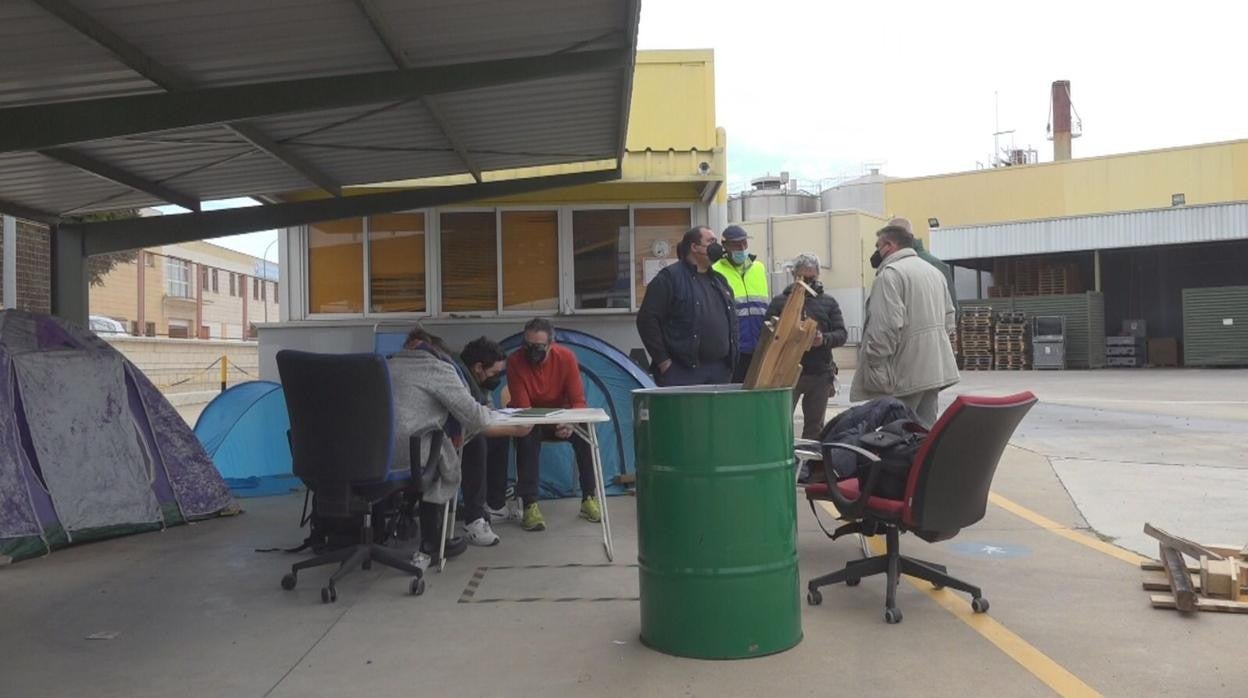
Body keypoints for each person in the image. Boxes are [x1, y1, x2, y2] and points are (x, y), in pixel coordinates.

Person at [387, 327, 530, 562]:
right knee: (469, 444)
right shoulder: (439, 368)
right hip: (414, 454)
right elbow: (478, 419)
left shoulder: (385, 366)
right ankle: (451, 531)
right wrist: (515, 428)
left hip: (376, 457)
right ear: (439, 352)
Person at [849, 218, 960, 427]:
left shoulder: (890, 275)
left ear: (890, 246)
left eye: (878, 247)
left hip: (902, 375)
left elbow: (884, 329)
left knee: (895, 438)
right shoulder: (934, 273)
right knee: (924, 435)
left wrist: (876, 367)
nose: (876, 253)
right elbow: (949, 320)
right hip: (933, 370)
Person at [506, 317, 600, 532]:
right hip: (532, 417)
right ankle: (530, 504)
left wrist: (569, 421)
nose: (531, 351)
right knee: (526, 434)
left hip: (561, 416)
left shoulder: (566, 358)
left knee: (585, 430)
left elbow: (578, 400)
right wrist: (546, 420)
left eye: (538, 347)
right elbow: (522, 405)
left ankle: (589, 497)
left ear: (551, 344)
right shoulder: (515, 361)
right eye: (527, 345)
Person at [635, 226, 739, 386]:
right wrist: (664, 362)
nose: (716, 246)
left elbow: (732, 321)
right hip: (682, 372)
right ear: (694, 247)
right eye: (711, 241)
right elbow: (646, 320)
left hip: (720, 371)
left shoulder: (720, 281)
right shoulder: (669, 279)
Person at [765, 253, 847, 439]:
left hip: (819, 373)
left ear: (818, 275)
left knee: (815, 427)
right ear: (794, 276)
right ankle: (784, 460)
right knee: (779, 423)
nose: (807, 283)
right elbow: (767, 334)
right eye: (802, 278)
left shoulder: (828, 302)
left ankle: (809, 465)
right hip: (786, 373)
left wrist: (823, 339)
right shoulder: (780, 302)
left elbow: (841, 334)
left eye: (811, 278)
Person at [454, 337, 513, 547]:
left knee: (499, 437)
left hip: (465, 431)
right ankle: (474, 519)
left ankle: (495, 505)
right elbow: (473, 418)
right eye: (494, 373)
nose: (496, 379)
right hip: (447, 439)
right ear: (478, 367)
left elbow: (487, 410)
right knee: (476, 442)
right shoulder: (457, 379)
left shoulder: (478, 382)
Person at [713, 225, 769, 382]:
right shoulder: (715, 270)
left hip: (759, 345)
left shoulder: (759, 268)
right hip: (734, 349)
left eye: (744, 243)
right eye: (737, 244)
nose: (742, 248)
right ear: (725, 246)